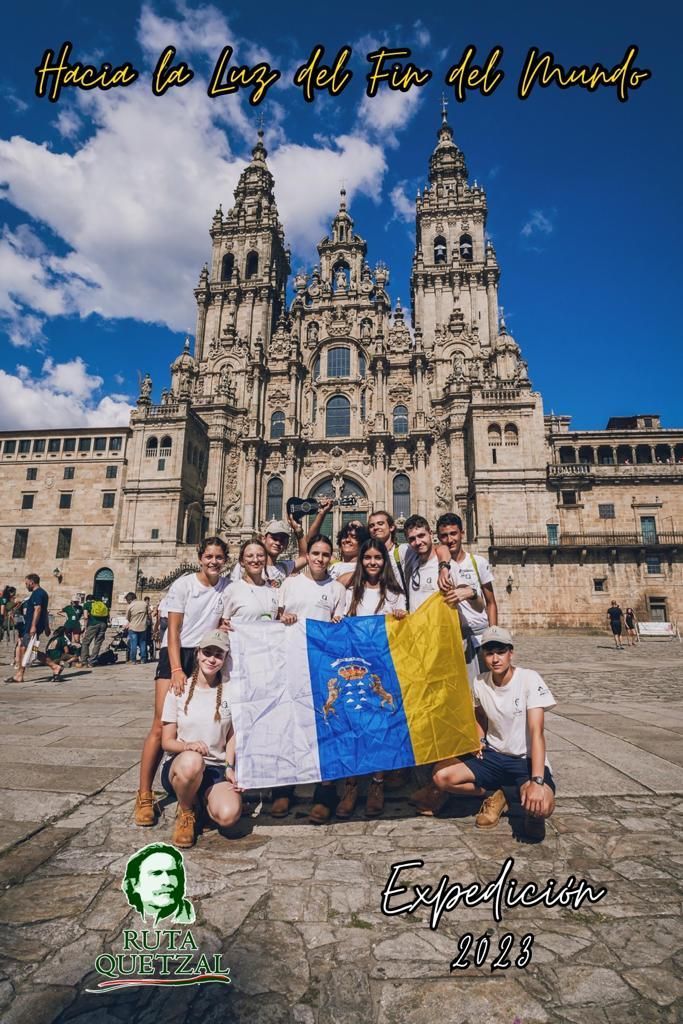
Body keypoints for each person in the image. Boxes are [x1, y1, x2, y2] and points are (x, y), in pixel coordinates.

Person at [134, 536, 230, 827]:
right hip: (176, 653)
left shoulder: (226, 587)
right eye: (208, 556)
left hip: (205, 653)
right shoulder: (184, 584)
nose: (213, 561)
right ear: (200, 557)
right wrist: (176, 669)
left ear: (225, 559)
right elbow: (172, 630)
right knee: (159, 724)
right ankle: (144, 794)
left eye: (219, 557)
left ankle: (194, 783)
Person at [431, 626, 556, 840]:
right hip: (493, 756)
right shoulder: (480, 682)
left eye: (500, 652)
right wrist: (479, 739)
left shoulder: (529, 679)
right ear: (483, 655)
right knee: (441, 777)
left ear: (511, 653)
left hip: (523, 761)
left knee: (541, 806)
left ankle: (509, 795)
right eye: (489, 653)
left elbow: (537, 733)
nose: (495, 658)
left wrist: (537, 781)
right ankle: (493, 794)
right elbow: (479, 715)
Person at [275, 533, 347, 821]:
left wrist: (337, 623)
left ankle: (325, 791)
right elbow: (274, 618)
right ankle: (284, 788)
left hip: (323, 666)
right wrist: (283, 618)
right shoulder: (290, 584)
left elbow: (339, 625)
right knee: (289, 725)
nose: (319, 559)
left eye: (325, 554)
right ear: (308, 555)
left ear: (332, 557)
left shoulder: (337, 590)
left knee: (326, 726)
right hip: (290, 664)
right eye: (315, 553)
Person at [337, 539, 407, 820]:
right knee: (353, 726)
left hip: (382, 667)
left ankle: (377, 784)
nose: (373, 562)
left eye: (378, 557)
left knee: (379, 727)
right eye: (367, 558)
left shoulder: (394, 594)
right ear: (361, 561)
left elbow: (403, 630)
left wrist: (401, 617)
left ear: (384, 560)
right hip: (353, 668)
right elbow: (338, 618)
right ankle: (351, 786)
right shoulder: (349, 591)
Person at [161, 630, 241, 848]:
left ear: (225, 659)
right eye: (207, 652)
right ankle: (186, 811)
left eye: (218, 654)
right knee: (193, 761)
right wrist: (188, 746)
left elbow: (232, 734)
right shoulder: (179, 689)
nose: (212, 659)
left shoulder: (230, 692)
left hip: (215, 768)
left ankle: (202, 802)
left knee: (228, 817)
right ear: (197, 654)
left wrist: (230, 765)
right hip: (182, 767)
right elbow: (166, 741)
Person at [436, 512, 498, 682]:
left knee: (486, 688)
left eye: (453, 533)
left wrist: (493, 635)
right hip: (454, 638)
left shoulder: (478, 562)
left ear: (462, 533)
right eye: (444, 536)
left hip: (480, 636)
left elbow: (491, 602)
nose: (450, 540)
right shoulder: (436, 563)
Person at [122, 842, 195, 924]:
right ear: (134, 883)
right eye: (156, 873)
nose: (167, 881)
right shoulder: (123, 916)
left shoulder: (188, 915)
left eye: (172, 873)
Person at [222, 539, 280, 624]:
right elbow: (224, 623)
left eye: (260, 555)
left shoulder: (274, 591)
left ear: (265, 560)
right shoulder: (232, 590)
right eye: (250, 556)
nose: (256, 560)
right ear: (242, 561)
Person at [10, 574, 50, 684]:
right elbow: (45, 611)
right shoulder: (42, 593)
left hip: (33, 626)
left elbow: (38, 610)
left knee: (24, 648)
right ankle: (55, 667)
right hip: (35, 625)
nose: (26, 585)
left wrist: (33, 626)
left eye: (27, 583)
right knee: (31, 650)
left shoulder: (37, 593)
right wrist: (46, 626)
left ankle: (20, 674)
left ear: (32, 582)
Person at [329, 521, 370, 586]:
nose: (347, 540)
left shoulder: (366, 569)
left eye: (353, 536)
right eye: (345, 536)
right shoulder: (335, 564)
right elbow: (312, 542)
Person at [79, 593, 110, 667]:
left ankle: (84, 661)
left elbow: (86, 617)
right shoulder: (102, 604)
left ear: (87, 599)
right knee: (98, 643)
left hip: (93, 624)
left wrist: (85, 627)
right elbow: (108, 616)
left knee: (85, 642)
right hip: (103, 624)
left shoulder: (87, 604)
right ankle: (92, 661)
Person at [125, 591, 150, 664]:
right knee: (143, 643)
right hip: (143, 626)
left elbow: (128, 618)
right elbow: (148, 614)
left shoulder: (130, 606)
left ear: (130, 600)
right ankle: (143, 659)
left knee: (133, 644)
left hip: (133, 627)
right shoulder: (144, 604)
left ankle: (133, 660)